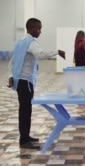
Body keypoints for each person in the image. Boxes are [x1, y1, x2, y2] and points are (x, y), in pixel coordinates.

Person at [7, 18, 65, 149]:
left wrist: (11, 76)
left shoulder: (19, 42)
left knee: (25, 109)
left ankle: (25, 136)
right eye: (38, 29)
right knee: (25, 110)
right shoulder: (31, 42)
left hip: (19, 80)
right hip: (25, 81)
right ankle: (24, 140)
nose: (40, 31)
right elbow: (41, 55)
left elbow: (12, 61)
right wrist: (57, 52)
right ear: (32, 29)